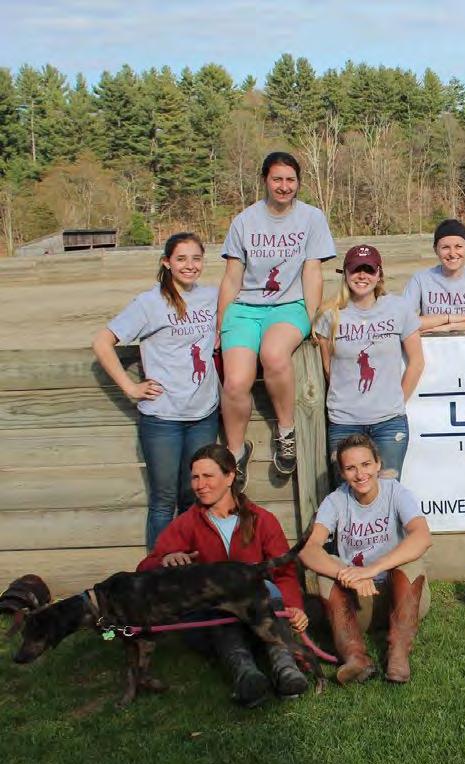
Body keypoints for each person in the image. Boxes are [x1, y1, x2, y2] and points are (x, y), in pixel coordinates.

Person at [137, 444, 310, 707]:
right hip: (211, 622)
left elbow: (285, 571)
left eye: (208, 476)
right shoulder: (187, 523)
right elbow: (144, 569)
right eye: (195, 477)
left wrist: (294, 607)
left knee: (265, 587)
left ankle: (285, 668)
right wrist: (165, 560)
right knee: (219, 595)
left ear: (230, 477)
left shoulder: (262, 519)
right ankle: (244, 674)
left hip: (259, 615)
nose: (200, 485)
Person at [217, 151, 337, 487]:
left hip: (289, 304)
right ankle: (236, 452)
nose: (284, 186)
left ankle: (286, 432)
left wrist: (312, 318)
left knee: (273, 354)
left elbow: (312, 272)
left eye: (290, 180)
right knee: (236, 381)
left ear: (298, 183)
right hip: (245, 307)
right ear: (265, 181)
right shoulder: (244, 221)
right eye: (277, 179)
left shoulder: (312, 218)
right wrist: (220, 324)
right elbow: (232, 277)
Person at [93, 233, 220, 549]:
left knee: (195, 497)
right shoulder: (149, 303)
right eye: (181, 259)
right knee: (164, 500)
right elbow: (102, 342)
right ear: (166, 262)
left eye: (196, 258)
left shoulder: (212, 297)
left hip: (203, 414)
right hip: (163, 418)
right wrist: (130, 387)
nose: (190, 265)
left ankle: (192, 569)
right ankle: (158, 570)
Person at [300, 433, 432, 684]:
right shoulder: (336, 500)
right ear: (342, 473)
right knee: (327, 570)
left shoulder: (396, 492)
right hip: (359, 603)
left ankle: (398, 653)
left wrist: (371, 570)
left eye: (366, 464)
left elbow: (422, 536)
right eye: (351, 468)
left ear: (378, 464)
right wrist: (348, 575)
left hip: (403, 598)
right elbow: (309, 550)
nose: (360, 474)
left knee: (411, 559)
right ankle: (356, 658)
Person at [314, 245, 424, 480]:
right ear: (345, 273)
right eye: (356, 269)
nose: (362, 276)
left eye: (369, 269)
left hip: (389, 423)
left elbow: (416, 362)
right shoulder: (330, 315)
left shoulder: (399, 309)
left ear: (379, 274)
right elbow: (328, 368)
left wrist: (396, 400)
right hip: (344, 422)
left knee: (388, 488)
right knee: (348, 490)